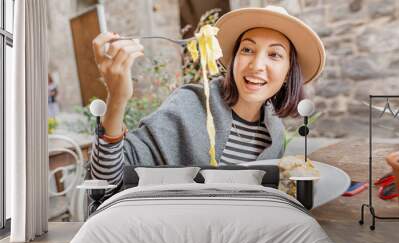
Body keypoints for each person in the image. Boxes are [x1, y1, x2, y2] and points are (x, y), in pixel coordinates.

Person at [89, 5, 326, 193]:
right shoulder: (188, 106)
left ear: (287, 74)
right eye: (247, 50)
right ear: (232, 60)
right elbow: (107, 181)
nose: (257, 65)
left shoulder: (274, 135)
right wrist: (117, 97)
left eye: (274, 54)